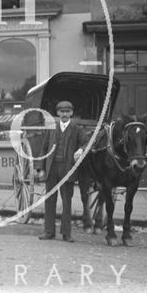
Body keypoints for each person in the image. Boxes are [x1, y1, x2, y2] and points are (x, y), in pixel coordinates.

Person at [36, 100, 88, 242]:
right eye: (62, 112)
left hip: (67, 169)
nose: (64, 114)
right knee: (50, 200)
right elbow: (43, 148)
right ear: (57, 113)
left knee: (67, 201)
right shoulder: (51, 128)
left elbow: (87, 141)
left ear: (71, 113)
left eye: (67, 112)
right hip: (52, 168)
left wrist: (81, 149)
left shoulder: (76, 129)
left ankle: (66, 233)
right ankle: (49, 231)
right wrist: (40, 168)